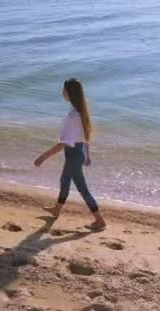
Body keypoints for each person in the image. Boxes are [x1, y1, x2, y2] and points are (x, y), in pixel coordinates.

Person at [34, 78, 106, 231]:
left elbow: (63, 143)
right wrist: (87, 155)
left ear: (69, 93)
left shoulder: (72, 116)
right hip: (77, 154)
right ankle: (57, 210)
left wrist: (43, 157)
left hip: (73, 156)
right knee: (65, 181)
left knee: (82, 188)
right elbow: (86, 137)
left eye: (64, 90)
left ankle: (99, 220)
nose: (62, 92)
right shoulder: (81, 112)